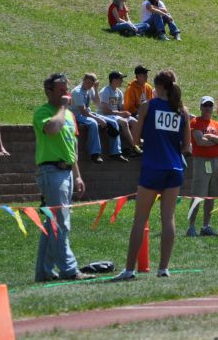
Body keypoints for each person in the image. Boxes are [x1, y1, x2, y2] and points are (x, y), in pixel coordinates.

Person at [113, 70, 191, 281]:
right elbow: (187, 146)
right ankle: (163, 268)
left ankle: (129, 270)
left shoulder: (148, 106)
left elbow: (136, 140)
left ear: (159, 87)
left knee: (140, 219)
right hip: (174, 168)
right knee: (168, 218)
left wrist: (151, 141)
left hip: (153, 166)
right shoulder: (182, 111)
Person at [32, 73, 95, 282]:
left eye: (66, 89)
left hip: (67, 172)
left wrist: (77, 176)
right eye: (60, 90)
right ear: (48, 91)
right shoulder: (44, 112)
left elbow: (72, 149)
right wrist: (63, 107)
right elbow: (51, 129)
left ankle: (44, 271)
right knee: (61, 222)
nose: (65, 93)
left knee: (52, 224)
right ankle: (70, 269)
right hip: (51, 172)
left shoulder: (69, 116)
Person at [186, 96, 218, 237]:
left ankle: (206, 226)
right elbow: (199, 141)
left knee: (211, 196)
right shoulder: (195, 122)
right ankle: (191, 227)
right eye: (205, 105)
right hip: (201, 161)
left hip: (216, 161)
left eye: (210, 105)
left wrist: (211, 138)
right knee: (198, 195)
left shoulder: (216, 124)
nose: (208, 108)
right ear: (201, 107)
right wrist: (216, 140)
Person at [70, 73, 126, 164]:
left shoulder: (91, 88)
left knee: (113, 122)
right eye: (88, 83)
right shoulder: (77, 92)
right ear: (83, 80)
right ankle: (95, 154)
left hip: (87, 113)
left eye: (92, 83)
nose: (90, 85)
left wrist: (95, 89)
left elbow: (97, 103)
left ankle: (116, 152)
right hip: (76, 115)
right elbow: (83, 112)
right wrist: (98, 119)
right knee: (93, 123)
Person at [99, 71, 142, 157]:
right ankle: (134, 146)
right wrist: (121, 113)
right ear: (114, 80)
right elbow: (104, 110)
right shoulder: (106, 91)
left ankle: (134, 145)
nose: (122, 81)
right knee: (124, 122)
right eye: (120, 79)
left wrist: (126, 113)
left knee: (134, 121)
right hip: (105, 116)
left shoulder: (119, 92)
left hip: (115, 115)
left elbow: (121, 108)